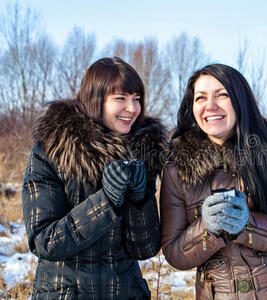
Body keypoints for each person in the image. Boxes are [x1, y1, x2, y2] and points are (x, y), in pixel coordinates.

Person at [160, 64, 267, 299]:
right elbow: (174, 253)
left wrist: (248, 225)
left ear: (240, 100)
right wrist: (207, 228)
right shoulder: (177, 168)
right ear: (192, 107)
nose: (210, 106)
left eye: (222, 95)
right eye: (200, 97)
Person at [22, 57, 167, 299]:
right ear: (94, 99)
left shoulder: (143, 152)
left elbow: (145, 248)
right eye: (120, 98)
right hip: (66, 293)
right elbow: (44, 241)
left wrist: (140, 201)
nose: (132, 109)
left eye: (136, 99)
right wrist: (106, 201)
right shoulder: (52, 151)